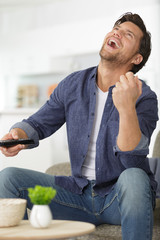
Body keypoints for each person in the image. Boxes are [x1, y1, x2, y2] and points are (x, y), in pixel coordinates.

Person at [0, 12, 158, 240]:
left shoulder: (144, 97)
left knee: (134, 176)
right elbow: (38, 122)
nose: (117, 32)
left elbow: (132, 160)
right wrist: (19, 134)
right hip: (76, 195)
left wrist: (126, 109)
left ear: (137, 58)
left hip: (118, 199)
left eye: (128, 34)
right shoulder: (73, 84)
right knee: (8, 177)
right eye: (116, 28)